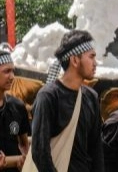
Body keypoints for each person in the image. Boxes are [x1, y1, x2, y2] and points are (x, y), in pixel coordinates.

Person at [29, 29, 103, 172]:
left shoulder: (91, 97)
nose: (95, 63)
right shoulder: (48, 97)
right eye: (91, 57)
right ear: (75, 60)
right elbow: (40, 152)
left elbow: (96, 148)